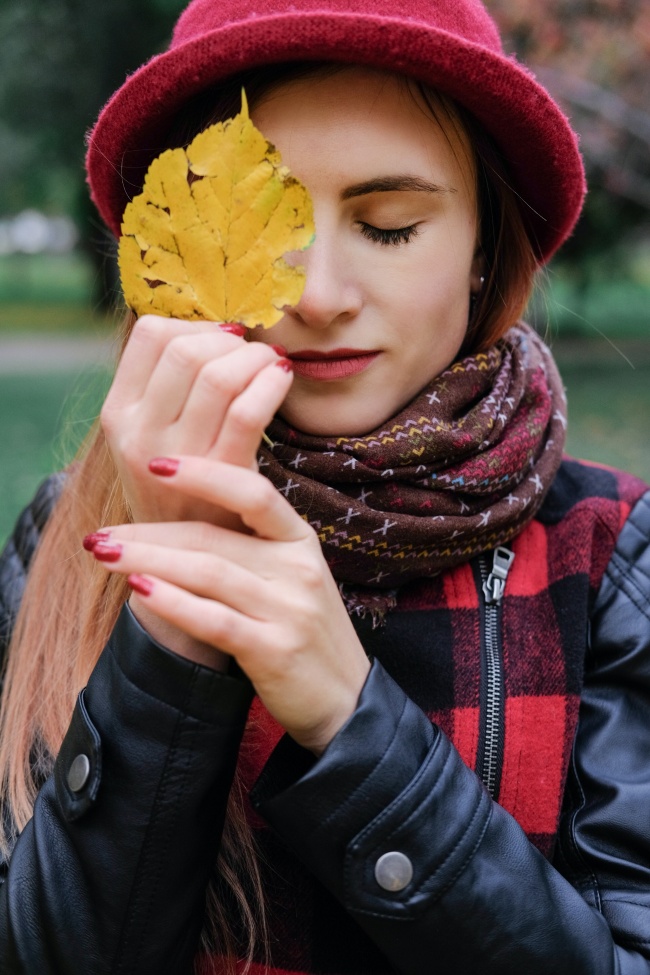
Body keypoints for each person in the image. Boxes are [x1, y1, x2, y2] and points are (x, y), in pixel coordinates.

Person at [0, 0, 649, 971]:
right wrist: (171, 635)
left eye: (387, 226)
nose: (316, 292)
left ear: (480, 250)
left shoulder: (607, 556)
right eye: (264, 226)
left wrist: (348, 717)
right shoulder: (68, 535)